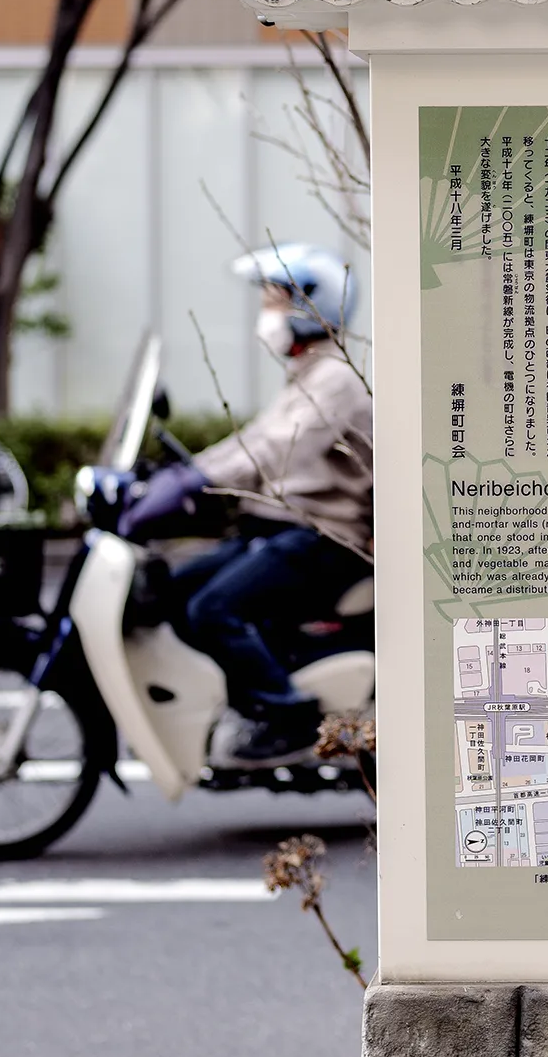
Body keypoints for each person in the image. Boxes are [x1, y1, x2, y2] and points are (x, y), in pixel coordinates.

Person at [118, 243, 372, 767]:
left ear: (312, 306)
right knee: (177, 592)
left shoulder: (337, 380)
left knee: (213, 608)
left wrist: (196, 480)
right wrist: (181, 477)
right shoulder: (309, 374)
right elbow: (251, 439)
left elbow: (276, 447)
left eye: (275, 299)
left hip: (327, 538)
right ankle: (250, 694)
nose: (267, 312)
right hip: (287, 530)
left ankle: (289, 715)